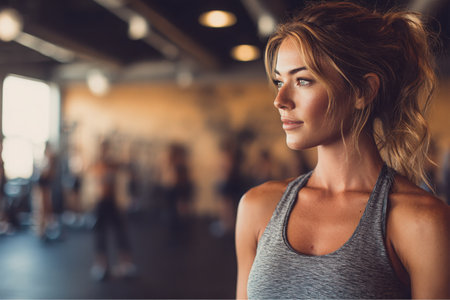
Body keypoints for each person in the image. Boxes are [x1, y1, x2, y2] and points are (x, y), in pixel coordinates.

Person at [235, 2, 450, 299]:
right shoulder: (257, 207)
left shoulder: (420, 221)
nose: (280, 99)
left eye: (303, 80)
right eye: (279, 80)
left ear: (363, 92)